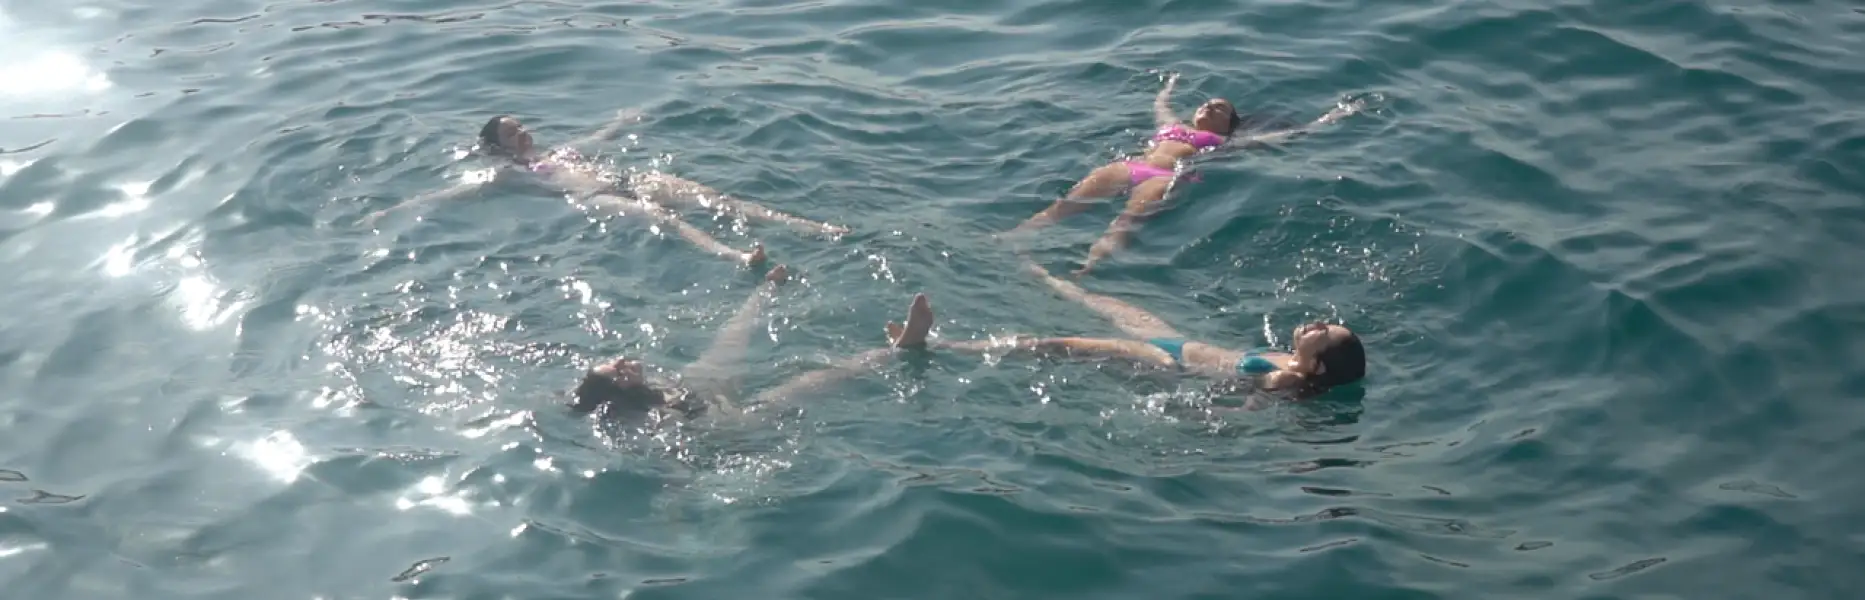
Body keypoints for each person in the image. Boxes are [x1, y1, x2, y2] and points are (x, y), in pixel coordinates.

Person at [368, 112, 848, 266]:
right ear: (497, 147)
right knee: (666, 220)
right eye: (514, 134)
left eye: (524, 128)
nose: (526, 136)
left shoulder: (550, 154)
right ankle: (737, 255)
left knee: (714, 197)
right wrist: (392, 211)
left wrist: (623, 120)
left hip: (627, 179)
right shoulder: (509, 173)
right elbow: (452, 194)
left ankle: (810, 228)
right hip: (596, 199)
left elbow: (594, 141)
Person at [1006, 73, 1367, 276]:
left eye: (1221, 108)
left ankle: (1087, 267)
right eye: (1208, 103)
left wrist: (1332, 118)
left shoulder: (1221, 142)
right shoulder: (1171, 126)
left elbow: (1283, 135)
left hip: (1163, 176)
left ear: (1229, 124)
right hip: (1130, 165)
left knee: (1125, 222)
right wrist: (1168, 87)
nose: (1211, 105)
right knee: (1067, 203)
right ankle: (1018, 236)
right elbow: (1160, 107)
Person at [884, 260, 1365, 400]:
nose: (1317, 323)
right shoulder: (1291, 361)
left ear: (1316, 363)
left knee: (1057, 346)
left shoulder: (1284, 380)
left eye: (1322, 332)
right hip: (1179, 342)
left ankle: (935, 344)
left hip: (1168, 363)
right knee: (1112, 305)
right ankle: (1051, 277)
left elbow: (1238, 405)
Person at [571, 265, 939, 420]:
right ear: (619, 384)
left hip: (692, 391)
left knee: (729, 339)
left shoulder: (643, 389)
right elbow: (673, 462)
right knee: (808, 383)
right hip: (719, 421)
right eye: (617, 367)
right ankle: (901, 349)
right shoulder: (642, 420)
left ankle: (765, 291)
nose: (623, 359)